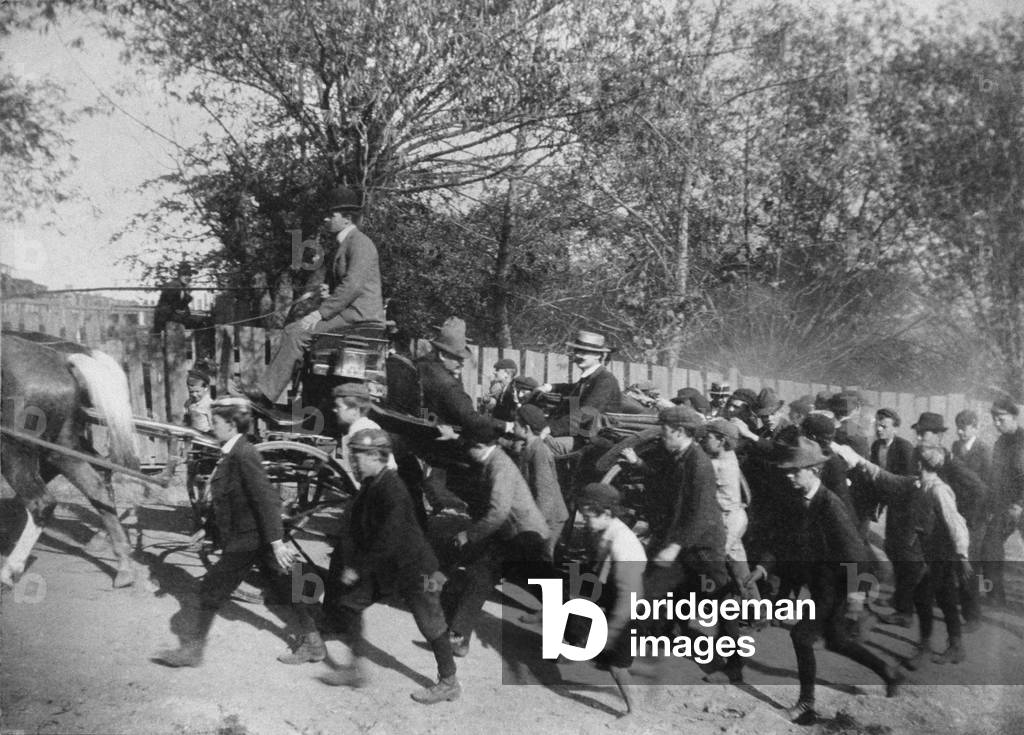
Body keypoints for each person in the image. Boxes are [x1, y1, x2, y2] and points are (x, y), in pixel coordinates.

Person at [286, 428, 461, 703]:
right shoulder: (372, 484)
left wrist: (357, 568)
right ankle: (355, 670)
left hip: (419, 571)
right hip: (391, 568)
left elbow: (388, 538)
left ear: (378, 457)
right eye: (351, 457)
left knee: (432, 623)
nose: (353, 463)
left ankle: (449, 682)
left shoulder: (392, 488)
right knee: (349, 604)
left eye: (359, 458)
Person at [751, 437, 903, 725]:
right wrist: (763, 566)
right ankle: (888, 671)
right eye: (788, 471)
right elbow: (782, 540)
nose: (789, 475)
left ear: (815, 471)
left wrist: (857, 598)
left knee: (801, 636)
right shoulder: (798, 500)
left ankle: (806, 705)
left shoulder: (829, 505)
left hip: (841, 584)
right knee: (837, 640)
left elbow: (855, 553)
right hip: (821, 583)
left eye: (796, 471)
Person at [154, 397, 297, 667]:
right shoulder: (231, 452)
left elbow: (265, 499)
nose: (212, 426)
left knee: (210, 589)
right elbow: (228, 501)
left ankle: (192, 652)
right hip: (251, 537)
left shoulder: (244, 454)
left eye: (216, 422)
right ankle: (313, 643)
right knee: (283, 586)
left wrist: (277, 543)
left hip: (251, 539)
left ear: (231, 425)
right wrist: (207, 531)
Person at [621, 404, 744, 684]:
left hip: (703, 545)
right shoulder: (679, 455)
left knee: (721, 603)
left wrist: (675, 546)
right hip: (682, 539)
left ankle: (734, 666)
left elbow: (700, 514)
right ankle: (631, 651)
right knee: (656, 589)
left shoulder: (698, 463)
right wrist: (639, 465)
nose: (660, 434)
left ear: (678, 431)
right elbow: (664, 483)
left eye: (664, 430)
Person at [242, 186, 386, 409]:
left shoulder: (360, 243)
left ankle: (266, 394)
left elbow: (354, 285)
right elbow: (346, 285)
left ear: (347, 218)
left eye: (331, 214)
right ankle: (307, 399)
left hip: (360, 318)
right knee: (299, 332)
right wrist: (329, 293)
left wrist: (320, 313)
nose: (326, 218)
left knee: (297, 332)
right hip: (350, 314)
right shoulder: (345, 244)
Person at [442, 415, 550, 658]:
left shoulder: (499, 467)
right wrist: (455, 437)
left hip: (526, 536)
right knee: (479, 578)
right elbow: (471, 443)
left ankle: (581, 636)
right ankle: (458, 638)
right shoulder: (490, 453)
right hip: (514, 535)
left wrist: (469, 535)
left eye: (468, 446)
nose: (466, 451)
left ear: (479, 446)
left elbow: (498, 512)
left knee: (542, 589)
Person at [573, 482, 647, 718]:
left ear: (605, 513)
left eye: (587, 517)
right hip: (616, 595)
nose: (584, 522)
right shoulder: (608, 530)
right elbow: (601, 567)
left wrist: (612, 633)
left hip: (631, 607)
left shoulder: (623, 545)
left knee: (618, 666)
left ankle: (634, 711)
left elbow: (629, 597)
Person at [981, 397, 1024, 607]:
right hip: (1004, 506)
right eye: (994, 419)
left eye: (1001, 419)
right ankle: (995, 597)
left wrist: (1020, 504)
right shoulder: (1000, 443)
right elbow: (995, 478)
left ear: (1014, 416)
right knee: (989, 546)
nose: (997, 423)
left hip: (1021, 504)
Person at [541, 330, 622, 440]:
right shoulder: (590, 377)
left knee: (542, 444)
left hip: (594, 439)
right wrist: (550, 387)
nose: (578, 355)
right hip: (580, 432)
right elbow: (573, 388)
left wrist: (551, 428)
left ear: (598, 355)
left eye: (584, 352)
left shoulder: (605, 380)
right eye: (576, 351)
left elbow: (586, 413)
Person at [513, 404, 570, 560]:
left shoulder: (540, 451)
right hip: (542, 514)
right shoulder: (528, 446)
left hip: (550, 516)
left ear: (526, 428)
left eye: (516, 423)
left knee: (542, 558)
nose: (513, 426)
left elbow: (545, 492)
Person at [152, 262, 210, 334]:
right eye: (184, 275)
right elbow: (176, 305)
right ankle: (203, 344)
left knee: (202, 320)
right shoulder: (175, 285)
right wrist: (187, 295)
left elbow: (180, 306)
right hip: (167, 316)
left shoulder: (180, 286)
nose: (187, 277)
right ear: (179, 276)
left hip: (172, 315)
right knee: (203, 322)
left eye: (189, 275)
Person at [952, 409, 992, 484]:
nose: (959, 432)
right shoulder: (956, 446)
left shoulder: (984, 449)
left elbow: (987, 479)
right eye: (958, 428)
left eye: (963, 429)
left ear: (975, 428)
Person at [183, 368, 214, 434]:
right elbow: (186, 420)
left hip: (205, 437)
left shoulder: (209, 404)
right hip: (192, 436)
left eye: (197, 391)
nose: (194, 395)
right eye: (191, 392)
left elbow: (213, 425)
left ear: (205, 388)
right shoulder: (189, 403)